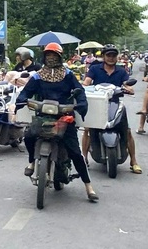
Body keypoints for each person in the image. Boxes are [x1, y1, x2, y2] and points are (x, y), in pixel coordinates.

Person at [16, 43, 98, 202]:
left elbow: (79, 91)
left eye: (54, 56)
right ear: (44, 57)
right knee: (29, 136)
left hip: (64, 117)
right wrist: (21, 101)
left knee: (75, 152)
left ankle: (88, 186)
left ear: (59, 57)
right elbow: (26, 92)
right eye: (48, 56)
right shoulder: (38, 76)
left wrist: (81, 103)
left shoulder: (68, 74)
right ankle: (32, 161)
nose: (51, 58)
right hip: (43, 115)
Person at [82, 44, 140, 173]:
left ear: (117, 57)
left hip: (115, 104)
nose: (111, 58)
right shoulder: (95, 69)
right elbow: (86, 82)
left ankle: (134, 161)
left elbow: (127, 85)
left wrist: (129, 89)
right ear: (103, 56)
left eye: (114, 55)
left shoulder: (121, 71)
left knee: (128, 131)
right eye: (108, 55)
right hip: (97, 104)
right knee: (87, 129)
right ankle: (84, 158)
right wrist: (83, 89)